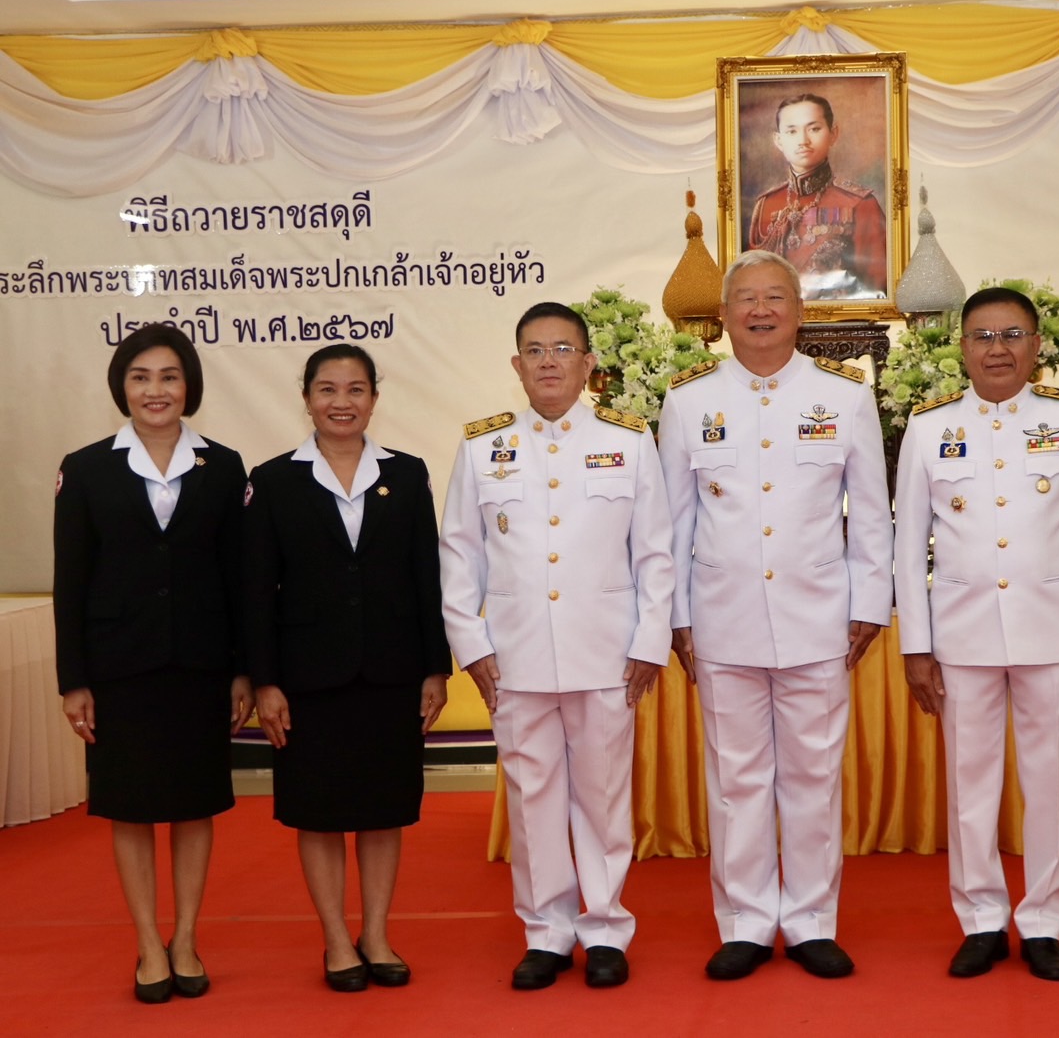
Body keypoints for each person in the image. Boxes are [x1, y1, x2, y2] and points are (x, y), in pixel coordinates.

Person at [657, 250, 893, 980]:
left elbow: (871, 516)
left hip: (818, 618)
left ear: (798, 310)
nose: (760, 310)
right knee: (736, 778)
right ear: (724, 315)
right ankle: (747, 921)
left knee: (813, 774)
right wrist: (677, 618)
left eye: (774, 297)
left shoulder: (844, 397)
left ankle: (813, 919)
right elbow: (671, 520)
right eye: (745, 299)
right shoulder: (688, 402)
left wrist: (868, 603)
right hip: (721, 621)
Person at [440, 302, 673, 991]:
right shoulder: (483, 447)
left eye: (562, 348)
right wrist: (471, 642)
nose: (548, 361)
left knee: (602, 794)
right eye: (534, 350)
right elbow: (459, 553)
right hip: (514, 658)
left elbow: (654, 552)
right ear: (516, 365)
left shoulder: (628, 441)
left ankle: (603, 926)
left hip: (606, 652)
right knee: (531, 793)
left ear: (586, 362)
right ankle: (545, 931)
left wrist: (649, 641)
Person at [893, 286, 1059, 982]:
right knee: (969, 783)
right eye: (983, 335)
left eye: (1012, 335)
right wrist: (914, 643)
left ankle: (1044, 919)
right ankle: (982, 917)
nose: (997, 348)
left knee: (1049, 781)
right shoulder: (928, 428)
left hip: (1052, 632)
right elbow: (907, 545)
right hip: (959, 637)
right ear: (961, 347)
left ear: (1036, 346)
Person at [54, 323, 251, 1004]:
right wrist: (73, 678)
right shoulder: (86, 467)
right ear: (122, 387)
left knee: (194, 806)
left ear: (188, 385)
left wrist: (243, 668)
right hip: (120, 666)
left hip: (200, 663)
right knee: (131, 808)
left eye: (168, 375)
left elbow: (240, 577)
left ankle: (187, 937)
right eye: (140, 377)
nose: (155, 390)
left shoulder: (222, 466)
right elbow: (71, 579)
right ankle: (147, 942)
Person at [245, 344, 451, 993]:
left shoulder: (407, 473)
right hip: (308, 679)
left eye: (356, 389)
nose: (342, 402)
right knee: (320, 812)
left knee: (384, 810)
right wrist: (264, 679)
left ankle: (378, 933)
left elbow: (426, 577)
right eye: (327, 389)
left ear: (374, 398)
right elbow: (254, 590)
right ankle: (337, 938)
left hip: (391, 674)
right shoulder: (273, 480)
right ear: (305, 397)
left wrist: (434, 667)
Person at [746, 92, 887, 300]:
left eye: (814, 129)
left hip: (843, 325)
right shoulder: (766, 204)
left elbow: (878, 287)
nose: (803, 141)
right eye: (792, 131)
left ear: (833, 133)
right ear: (778, 140)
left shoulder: (859, 203)